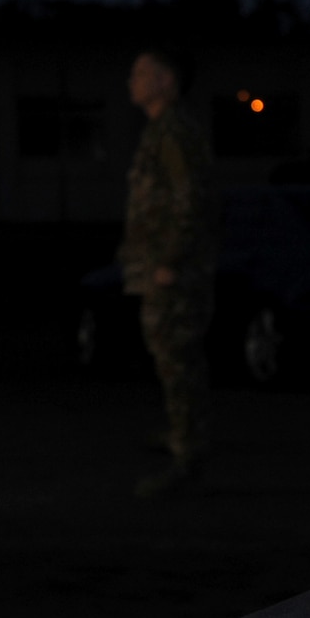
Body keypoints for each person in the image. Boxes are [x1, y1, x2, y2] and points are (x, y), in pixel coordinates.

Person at [120, 48, 219, 497]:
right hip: (158, 269)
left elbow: (190, 201)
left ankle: (187, 459)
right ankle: (184, 439)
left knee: (179, 363)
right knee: (171, 361)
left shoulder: (175, 132)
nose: (132, 80)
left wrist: (171, 261)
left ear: (166, 81)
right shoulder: (160, 131)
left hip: (174, 275)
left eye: (143, 73)